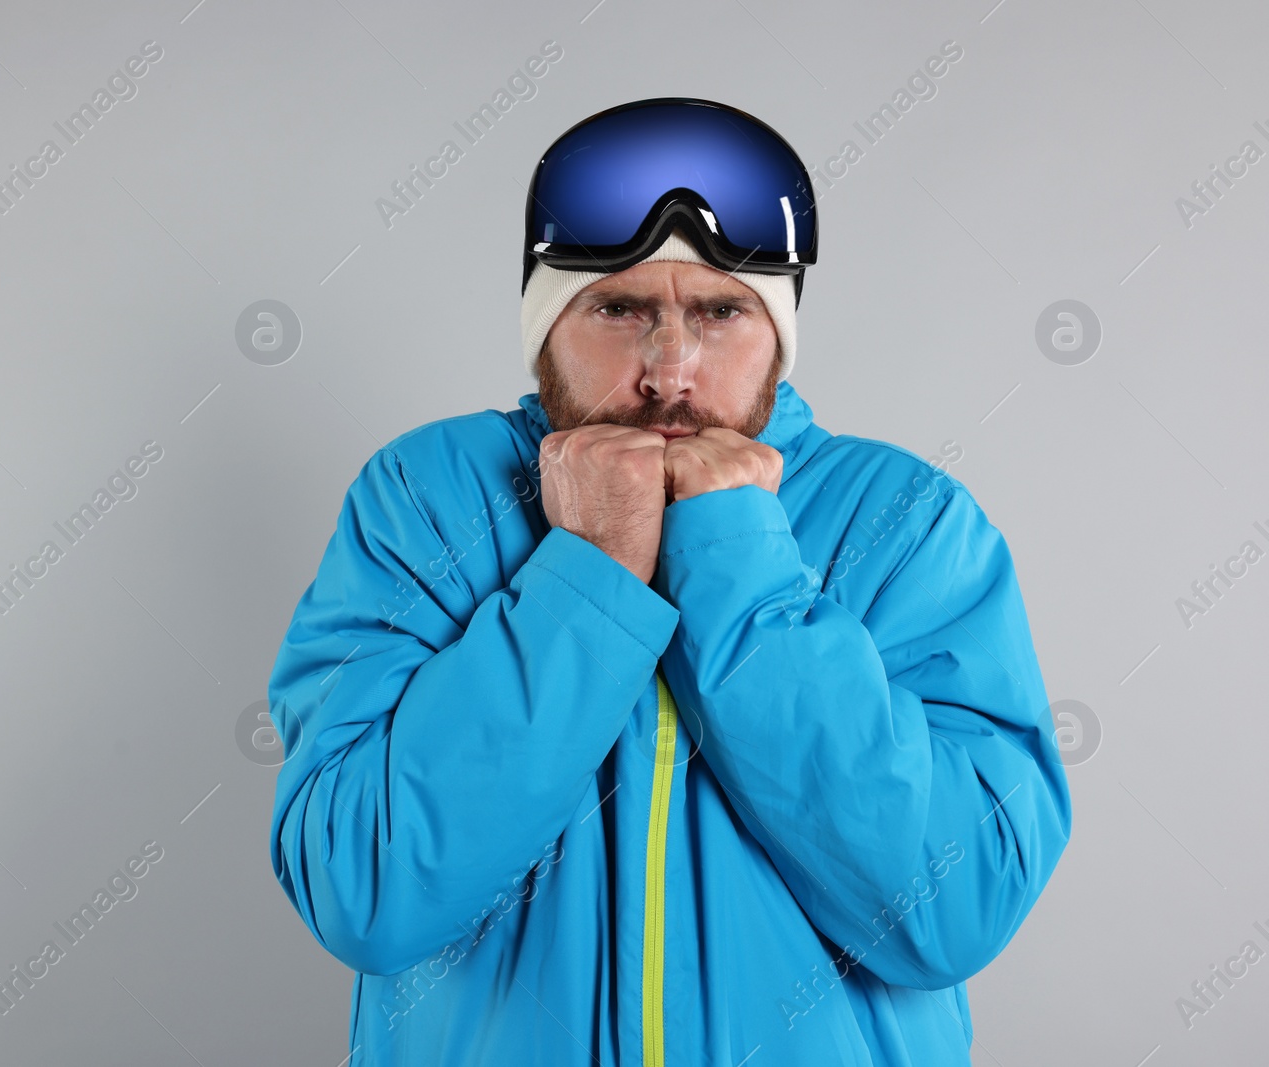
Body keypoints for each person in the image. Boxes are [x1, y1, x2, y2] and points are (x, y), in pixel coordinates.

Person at [265, 97, 1071, 1066]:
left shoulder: (907, 521)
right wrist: (589, 568)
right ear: (546, 323)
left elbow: (954, 902)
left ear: (776, 329)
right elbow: (363, 885)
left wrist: (736, 560)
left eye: (720, 311)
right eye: (620, 308)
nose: (668, 370)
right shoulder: (428, 498)